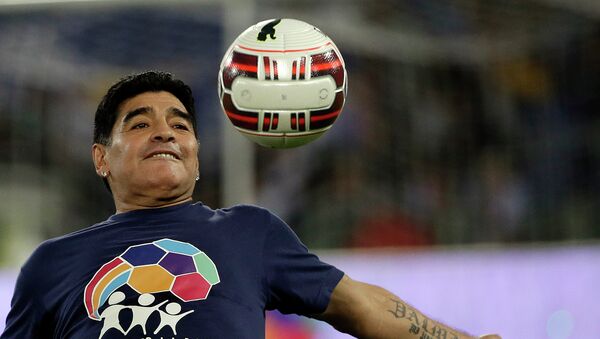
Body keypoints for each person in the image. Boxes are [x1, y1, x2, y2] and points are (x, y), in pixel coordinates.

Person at [1, 71, 500, 339]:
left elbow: (360, 307)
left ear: (196, 157)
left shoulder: (248, 232)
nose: (165, 132)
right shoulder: (52, 263)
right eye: (139, 123)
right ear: (101, 159)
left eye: (180, 125)